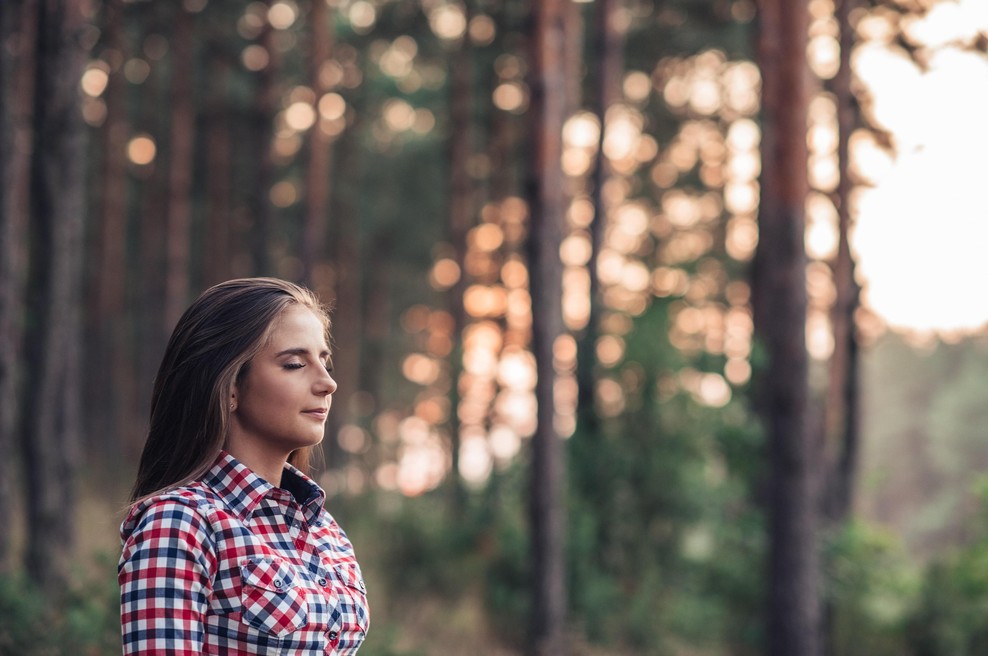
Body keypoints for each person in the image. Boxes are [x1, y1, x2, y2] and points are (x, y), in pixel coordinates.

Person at [119, 277, 369, 654]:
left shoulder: (325, 531)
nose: (328, 383)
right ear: (231, 386)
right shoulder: (179, 523)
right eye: (295, 364)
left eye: (325, 362)